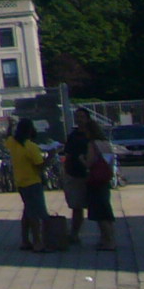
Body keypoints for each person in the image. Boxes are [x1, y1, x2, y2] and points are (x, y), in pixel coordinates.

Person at [7, 118, 49, 252]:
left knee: (27, 212)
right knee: (35, 214)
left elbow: (7, 137)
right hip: (33, 182)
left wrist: (10, 126)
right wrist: (51, 156)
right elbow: (39, 166)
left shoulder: (13, 143)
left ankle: (25, 240)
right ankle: (37, 242)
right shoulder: (31, 146)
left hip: (20, 182)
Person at [83, 117, 118, 251]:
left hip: (95, 180)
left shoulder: (92, 144)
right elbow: (111, 161)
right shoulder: (106, 143)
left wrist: (82, 160)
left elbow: (90, 162)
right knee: (106, 210)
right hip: (105, 179)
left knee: (100, 213)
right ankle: (108, 239)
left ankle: (108, 241)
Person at [61, 108, 93, 246]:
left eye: (82, 116)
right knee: (76, 206)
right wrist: (65, 171)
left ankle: (106, 235)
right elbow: (67, 154)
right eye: (77, 116)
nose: (79, 119)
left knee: (97, 206)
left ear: (88, 118)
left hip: (91, 174)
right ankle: (74, 234)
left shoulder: (92, 135)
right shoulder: (73, 135)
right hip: (74, 173)